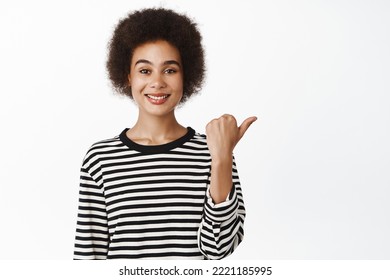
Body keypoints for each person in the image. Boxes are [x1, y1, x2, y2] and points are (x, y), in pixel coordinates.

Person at [73, 7, 257, 260]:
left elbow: (218, 250)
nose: (157, 82)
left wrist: (222, 159)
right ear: (128, 77)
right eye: (145, 70)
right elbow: (88, 254)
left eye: (170, 70)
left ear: (186, 75)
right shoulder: (100, 158)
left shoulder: (214, 152)